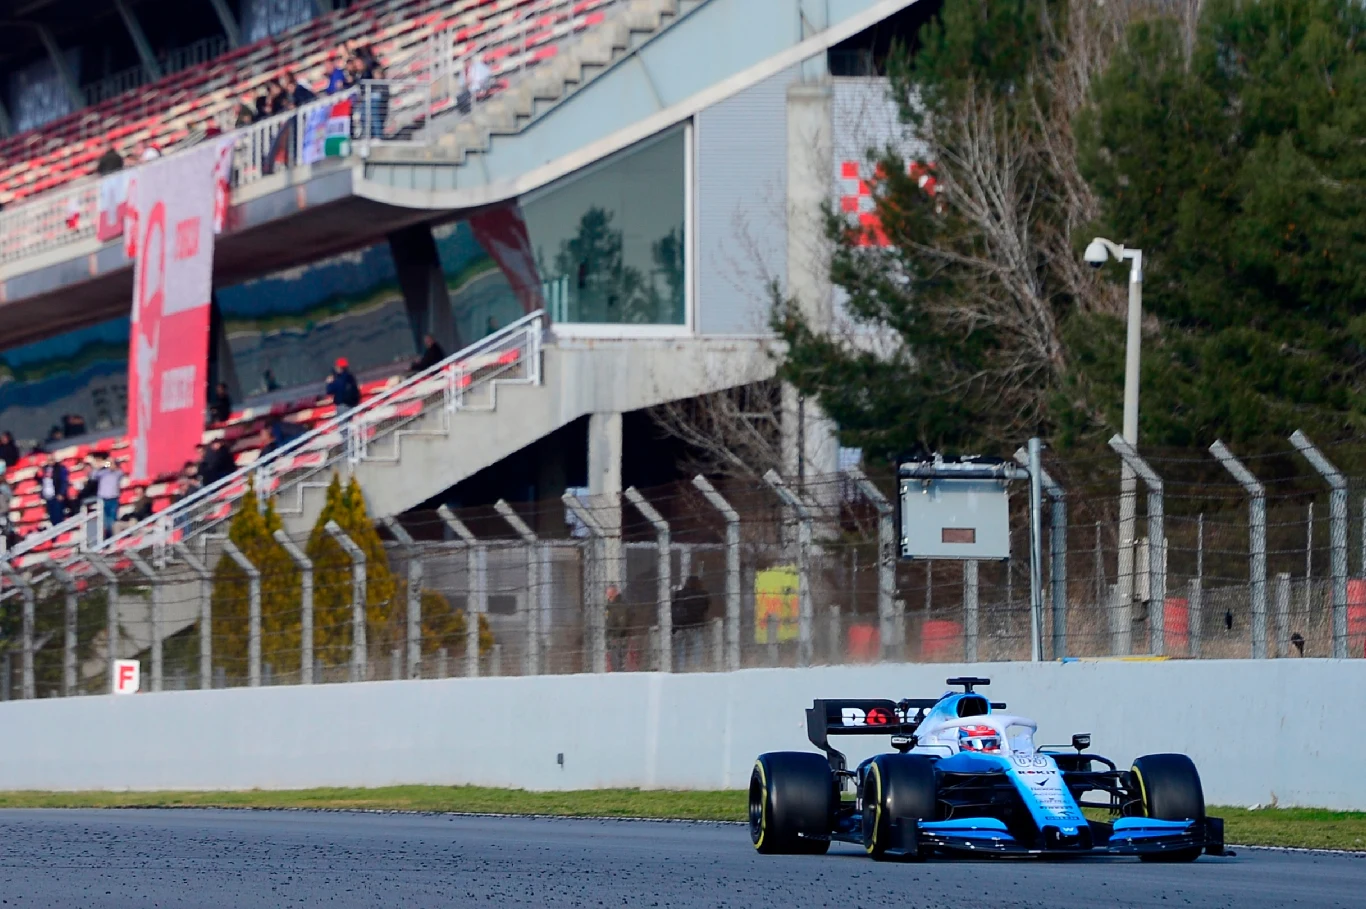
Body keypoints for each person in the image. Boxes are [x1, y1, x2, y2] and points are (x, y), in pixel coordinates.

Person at [670, 575, 711, 670]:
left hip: (680, 626)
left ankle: (681, 668)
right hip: (695, 625)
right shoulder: (703, 595)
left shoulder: (679, 594)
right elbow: (706, 608)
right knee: (697, 646)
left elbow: (673, 608)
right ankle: (697, 666)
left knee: (681, 648)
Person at [90, 455, 123, 538]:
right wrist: (104, 464)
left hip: (113, 499)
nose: (111, 465)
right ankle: (107, 537)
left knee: (112, 520)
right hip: (103, 499)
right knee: (105, 521)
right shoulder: (103, 473)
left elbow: (119, 470)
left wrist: (109, 463)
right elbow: (93, 476)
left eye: (112, 463)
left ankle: (113, 537)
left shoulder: (118, 473)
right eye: (109, 463)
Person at [40, 455, 69, 526]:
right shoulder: (45, 469)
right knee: (52, 515)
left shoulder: (60, 468)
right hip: (48, 496)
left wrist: (61, 493)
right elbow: (42, 481)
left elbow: (64, 482)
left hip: (56, 495)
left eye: (52, 460)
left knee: (58, 514)